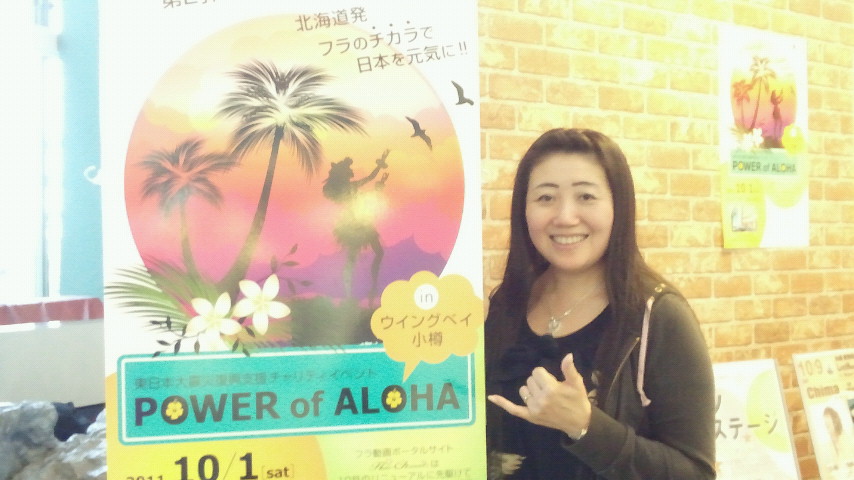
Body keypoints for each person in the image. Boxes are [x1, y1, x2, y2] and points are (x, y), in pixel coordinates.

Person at [485, 128, 716, 479]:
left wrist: (586, 426)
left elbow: (696, 473)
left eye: (586, 196)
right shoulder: (506, 303)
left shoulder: (658, 316)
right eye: (546, 197)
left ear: (617, 208)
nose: (565, 216)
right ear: (524, 210)